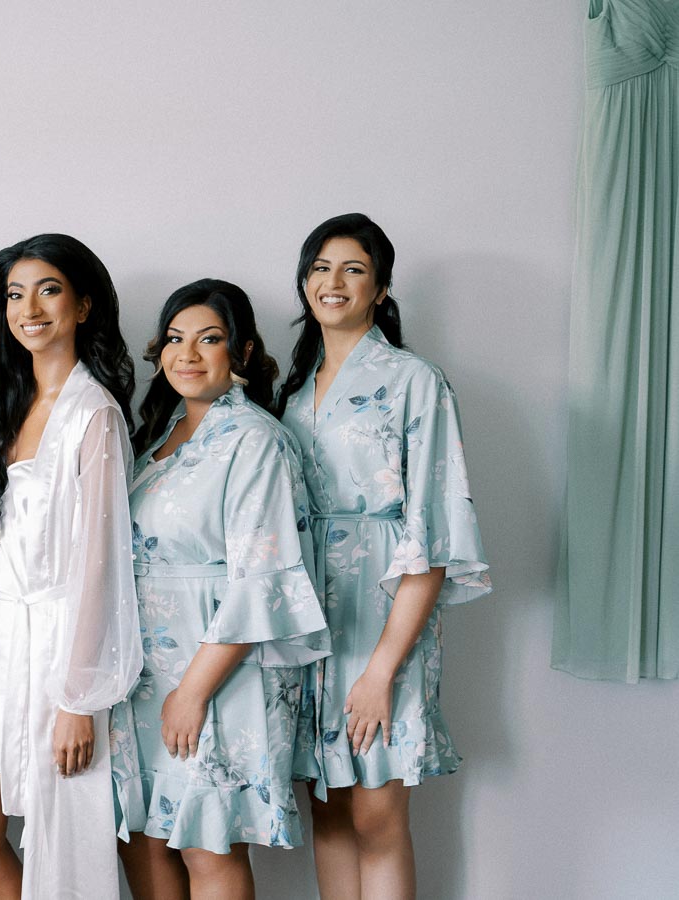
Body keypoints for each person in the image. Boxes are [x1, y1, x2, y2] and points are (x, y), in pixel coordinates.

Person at [276, 214, 492, 900]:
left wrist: (381, 671)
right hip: (309, 621)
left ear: (381, 288)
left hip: (382, 617)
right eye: (319, 268)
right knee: (330, 811)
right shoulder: (291, 391)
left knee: (376, 812)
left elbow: (431, 536)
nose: (331, 283)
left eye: (352, 269)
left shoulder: (414, 382)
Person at [113, 280, 330, 900]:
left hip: (216, 669)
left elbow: (262, 579)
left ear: (242, 350)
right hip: (145, 669)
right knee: (149, 835)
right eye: (176, 339)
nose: (188, 353)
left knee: (209, 845)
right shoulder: (158, 435)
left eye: (209, 339)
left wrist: (194, 690)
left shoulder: (256, 440)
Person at [0, 233, 142, 900]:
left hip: (57, 647)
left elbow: (98, 567)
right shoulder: (6, 405)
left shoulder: (96, 416)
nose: (29, 307)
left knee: (62, 837)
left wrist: (77, 701)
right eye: (13, 294)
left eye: (49, 289)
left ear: (84, 305)